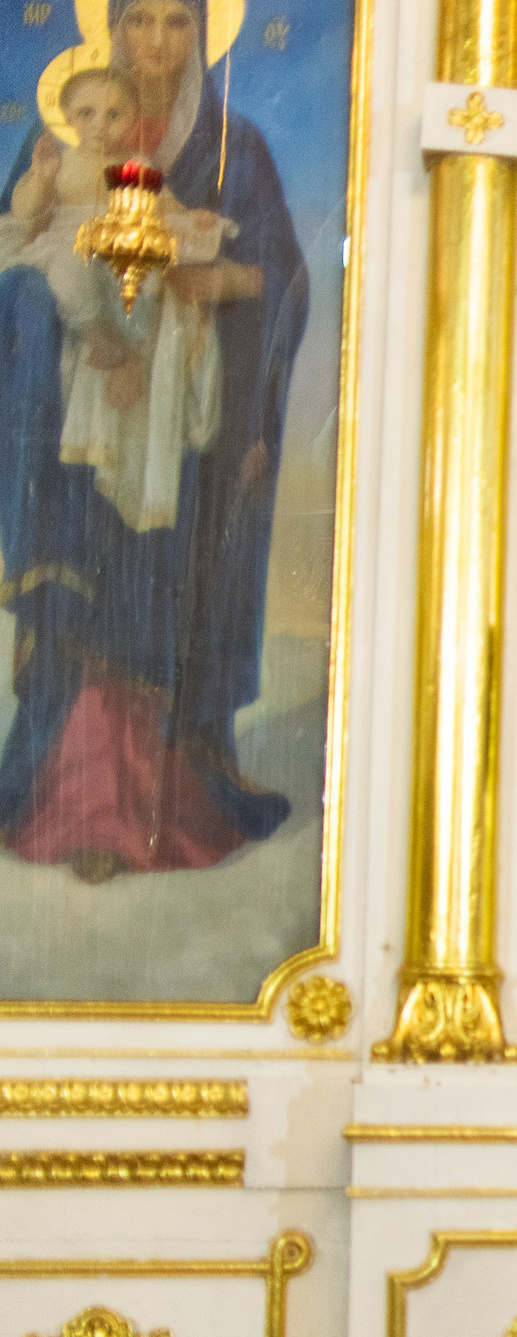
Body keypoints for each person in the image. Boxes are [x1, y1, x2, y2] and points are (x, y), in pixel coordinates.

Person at [0, 0, 309, 880]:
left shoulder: (234, 148)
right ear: (112, 29)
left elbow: (283, 275)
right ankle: (70, 802)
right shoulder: (58, 144)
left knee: (157, 595)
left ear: (204, 32)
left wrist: (225, 279)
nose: (158, 42)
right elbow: (17, 252)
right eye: (140, 20)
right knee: (79, 605)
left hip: (178, 428)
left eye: (178, 22)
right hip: (74, 431)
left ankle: (160, 806)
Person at [0, 65, 225, 539]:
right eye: (87, 113)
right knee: (68, 274)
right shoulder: (59, 163)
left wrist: (196, 219)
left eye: (114, 114)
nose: (100, 125)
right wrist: (40, 178)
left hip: (117, 252)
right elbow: (23, 211)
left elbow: (170, 210)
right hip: (68, 247)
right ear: (66, 116)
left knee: (146, 275)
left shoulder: (135, 169)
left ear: (134, 117)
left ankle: (131, 355)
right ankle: (102, 340)